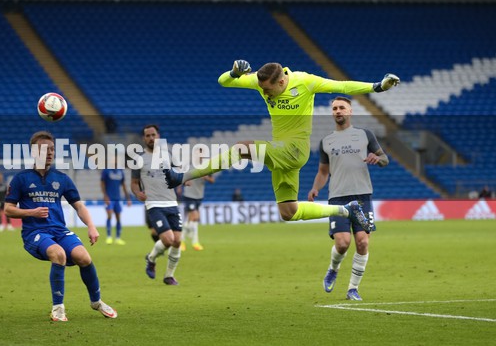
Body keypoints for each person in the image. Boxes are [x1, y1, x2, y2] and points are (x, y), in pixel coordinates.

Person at [165, 60, 399, 229]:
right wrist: (234, 72)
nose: (265, 94)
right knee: (289, 211)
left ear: (282, 81)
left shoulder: (305, 82)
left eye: (268, 90)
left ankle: (182, 177)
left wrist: (377, 86)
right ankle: (347, 210)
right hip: (281, 154)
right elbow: (223, 82)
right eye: (262, 89)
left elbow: (343, 86)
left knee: (241, 149)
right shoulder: (261, 82)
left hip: (295, 149)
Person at [4, 131, 117, 321]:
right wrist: (31, 213)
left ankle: (96, 302)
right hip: (35, 233)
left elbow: (79, 205)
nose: (49, 153)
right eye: (44, 149)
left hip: (59, 230)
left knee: (84, 257)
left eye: (52, 149)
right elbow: (8, 209)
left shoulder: (62, 178)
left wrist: (91, 225)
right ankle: (58, 307)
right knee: (59, 254)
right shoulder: (21, 179)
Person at [308, 96, 389, 301]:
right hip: (338, 198)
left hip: (362, 196)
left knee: (362, 242)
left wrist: (377, 158)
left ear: (350, 111)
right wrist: (316, 188)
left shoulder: (365, 135)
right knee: (343, 243)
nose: (338, 111)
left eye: (342, 107)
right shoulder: (326, 141)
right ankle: (333, 269)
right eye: (334, 108)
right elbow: (323, 172)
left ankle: (353, 289)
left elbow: (385, 159)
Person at [131, 124, 182, 286]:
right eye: (148, 136)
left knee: (177, 241)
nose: (151, 138)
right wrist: (137, 193)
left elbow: (179, 174)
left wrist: (184, 181)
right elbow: (134, 182)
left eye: (153, 135)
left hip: (172, 202)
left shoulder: (168, 155)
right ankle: (151, 258)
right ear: (144, 138)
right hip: (154, 204)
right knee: (168, 240)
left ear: (158, 136)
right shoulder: (139, 159)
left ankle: (169, 275)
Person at [101, 158, 132, 245]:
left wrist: (128, 198)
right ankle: (109, 237)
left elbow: (123, 185)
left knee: (118, 217)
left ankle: (118, 238)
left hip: (118, 198)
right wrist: (105, 196)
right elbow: (102, 183)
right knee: (109, 215)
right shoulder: (106, 171)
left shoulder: (120, 172)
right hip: (109, 198)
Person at [181, 174, 215, 251]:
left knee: (192, 220)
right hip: (189, 195)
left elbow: (212, 180)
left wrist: (206, 178)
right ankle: (193, 241)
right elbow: (180, 177)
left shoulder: (206, 167)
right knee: (195, 216)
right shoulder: (189, 165)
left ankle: (186, 240)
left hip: (199, 196)